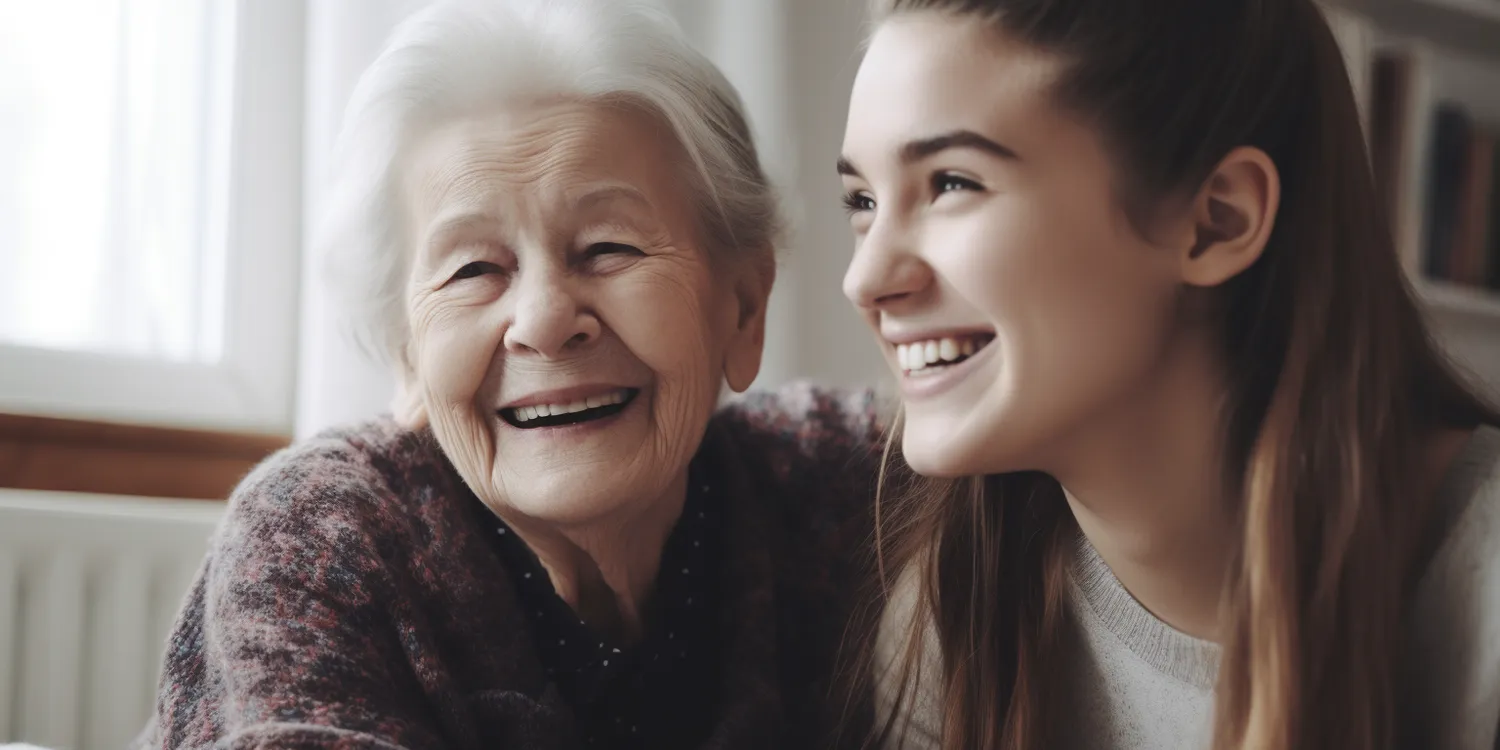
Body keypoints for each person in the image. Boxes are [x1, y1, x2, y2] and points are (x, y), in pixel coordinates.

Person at [132, 1, 884, 747]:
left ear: (743, 307)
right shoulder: (324, 539)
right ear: (406, 353)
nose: (546, 321)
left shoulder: (831, 484)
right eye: (473, 268)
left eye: (608, 248)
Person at [834, 0, 1500, 748]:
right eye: (862, 201)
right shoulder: (951, 621)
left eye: (952, 182)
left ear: (1219, 220)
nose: (865, 279)